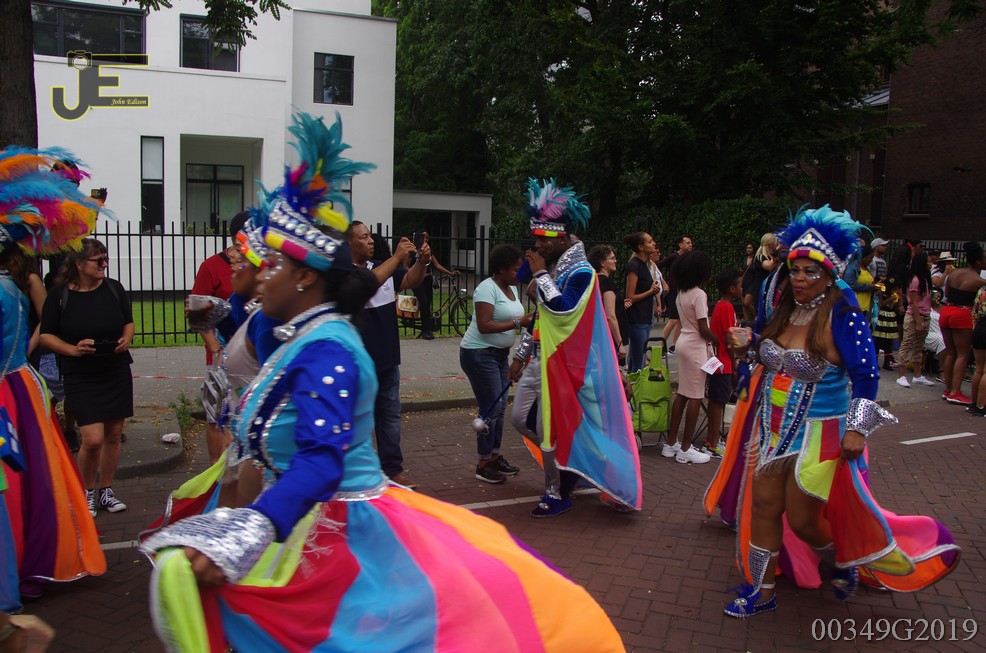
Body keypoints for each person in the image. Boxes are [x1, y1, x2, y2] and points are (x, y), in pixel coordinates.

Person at [140, 114, 625, 652]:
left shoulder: (328, 349)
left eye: (269, 264)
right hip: (296, 525)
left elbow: (321, 461)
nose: (257, 274)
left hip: (342, 537)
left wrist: (245, 532)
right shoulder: (291, 335)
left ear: (304, 277)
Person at [705, 206, 959, 618]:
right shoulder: (785, 308)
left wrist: (857, 430)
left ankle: (840, 561)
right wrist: (747, 341)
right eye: (795, 270)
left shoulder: (844, 314)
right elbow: (763, 346)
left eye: (810, 272)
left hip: (820, 434)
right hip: (772, 430)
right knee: (764, 508)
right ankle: (762, 591)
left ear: (829, 274)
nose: (800, 279)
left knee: (804, 521)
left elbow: (866, 375)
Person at [0, 146, 106, 605]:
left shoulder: (10, 287)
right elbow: (44, 322)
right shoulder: (19, 284)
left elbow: (45, 323)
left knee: (17, 481)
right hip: (21, 385)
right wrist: (24, 351)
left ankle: (18, 560)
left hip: (9, 390)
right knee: (34, 474)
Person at [508, 178, 641, 518]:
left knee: (548, 429)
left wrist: (540, 276)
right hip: (541, 359)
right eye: (536, 238)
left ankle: (558, 490)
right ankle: (572, 462)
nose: (538, 245)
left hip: (568, 366)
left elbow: (563, 310)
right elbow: (542, 317)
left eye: (544, 239)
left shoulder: (582, 272)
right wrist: (521, 355)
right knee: (520, 419)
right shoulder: (553, 267)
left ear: (563, 238)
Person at [40, 239, 134, 516]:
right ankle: (86, 492)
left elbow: (128, 322)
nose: (104, 264)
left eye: (106, 259)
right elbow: (46, 335)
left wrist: (126, 338)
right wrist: (72, 349)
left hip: (115, 369)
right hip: (81, 374)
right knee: (92, 439)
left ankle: (106, 490)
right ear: (79, 264)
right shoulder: (59, 296)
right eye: (98, 260)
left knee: (114, 434)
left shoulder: (114, 288)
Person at [347, 220, 431, 488]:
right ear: (349, 243)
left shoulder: (379, 267)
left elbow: (409, 280)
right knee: (356, 420)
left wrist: (422, 262)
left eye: (370, 236)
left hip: (387, 360)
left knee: (390, 418)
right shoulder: (345, 274)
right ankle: (356, 473)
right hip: (358, 365)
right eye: (363, 237)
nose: (371, 241)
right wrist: (395, 258)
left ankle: (392, 470)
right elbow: (367, 285)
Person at [460, 244, 531, 483]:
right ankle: (483, 464)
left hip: (499, 355)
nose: (519, 274)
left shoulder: (512, 288)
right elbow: (484, 325)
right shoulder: (486, 288)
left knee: (500, 407)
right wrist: (519, 323)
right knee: (491, 407)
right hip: (479, 354)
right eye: (515, 269)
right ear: (501, 268)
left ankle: (494, 456)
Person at [191, 212, 249, 463]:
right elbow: (197, 312)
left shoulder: (261, 267)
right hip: (222, 359)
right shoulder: (211, 266)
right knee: (217, 418)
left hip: (251, 361)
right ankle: (217, 473)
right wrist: (216, 349)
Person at [662, 251, 716, 464]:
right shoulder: (699, 294)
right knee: (695, 396)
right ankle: (685, 449)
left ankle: (671, 443)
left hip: (683, 342)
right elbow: (703, 327)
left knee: (683, 394)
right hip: (696, 346)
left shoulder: (681, 294)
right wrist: (719, 340)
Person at [940, 241, 986, 405]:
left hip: (946, 311)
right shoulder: (979, 281)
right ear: (978, 261)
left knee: (950, 352)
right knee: (962, 355)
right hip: (963, 314)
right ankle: (955, 392)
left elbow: (946, 293)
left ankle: (947, 390)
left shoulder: (954, 273)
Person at [703, 268, 742, 458]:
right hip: (724, 362)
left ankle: (711, 440)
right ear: (731, 288)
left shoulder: (720, 306)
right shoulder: (727, 307)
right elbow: (729, 336)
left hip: (719, 361)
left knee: (715, 402)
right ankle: (712, 442)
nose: (742, 289)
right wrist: (735, 360)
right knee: (718, 402)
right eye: (740, 285)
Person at [409, 230, 458, 340]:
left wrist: (450, 273)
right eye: (423, 237)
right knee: (424, 302)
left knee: (427, 305)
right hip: (417, 280)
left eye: (427, 238)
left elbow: (437, 265)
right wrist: (410, 276)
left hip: (428, 279)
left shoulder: (428, 251)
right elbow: (406, 265)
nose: (425, 240)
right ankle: (425, 330)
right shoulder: (413, 250)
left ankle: (427, 329)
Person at [896, 251, 935, 388]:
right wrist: (918, 321)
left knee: (919, 346)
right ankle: (901, 375)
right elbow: (913, 302)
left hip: (925, 315)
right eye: (929, 261)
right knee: (907, 343)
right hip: (914, 316)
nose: (931, 264)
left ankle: (917, 375)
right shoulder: (915, 280)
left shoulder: (926, 279)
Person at [623, 232, 660, 372]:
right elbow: (630, 296)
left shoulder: (644, 264)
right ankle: (636, 384)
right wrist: (651, 291)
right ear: (641, 247)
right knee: (639, 362)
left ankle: (632, 383)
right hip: (637, 318)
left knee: (636, 359)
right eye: (650, 242)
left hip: (645, 317)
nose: (653, 244)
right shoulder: (634, 265)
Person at [588, 244, 628, 365]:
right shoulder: (606, 282)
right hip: (608, 338)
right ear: (602, 263)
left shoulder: (594, 280)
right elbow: (610, 316)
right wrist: (620, 344)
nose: (615, 261)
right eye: (612, 258)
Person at [659, 235, 693, 353]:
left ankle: (674, 345)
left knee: (679, 319)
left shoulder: (688, 258)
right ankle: (661, 346)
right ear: (680, 245)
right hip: (673, 290)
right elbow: (658, 266)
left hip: (683, 290)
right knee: (673, 319)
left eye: (691, 243)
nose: (690, 245)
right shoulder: (673, 257)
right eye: (687, 243)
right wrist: (664, 282)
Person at [742, 233, 779, 325]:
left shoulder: (769, 257)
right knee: (761, 312)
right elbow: (769, 266)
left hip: (769, 287)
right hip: (761, 288)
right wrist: (777, 253)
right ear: (770, 245)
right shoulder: (760, 256)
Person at [968, 284, 986, 416]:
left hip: (979, 327)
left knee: (979, 368)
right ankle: (982, 405)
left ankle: (974, 403)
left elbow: (974, 312)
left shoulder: (982, 289)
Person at [741, 242, 757, 322]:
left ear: (754, 249)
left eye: (750, 248)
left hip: (752, 282)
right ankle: (746, 320)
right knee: (743, 304)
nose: (748, 249)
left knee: (746, 302)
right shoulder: (745, 258)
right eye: (747, 248)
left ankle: (756, 315)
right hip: (745, 282)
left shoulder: (756, 259)